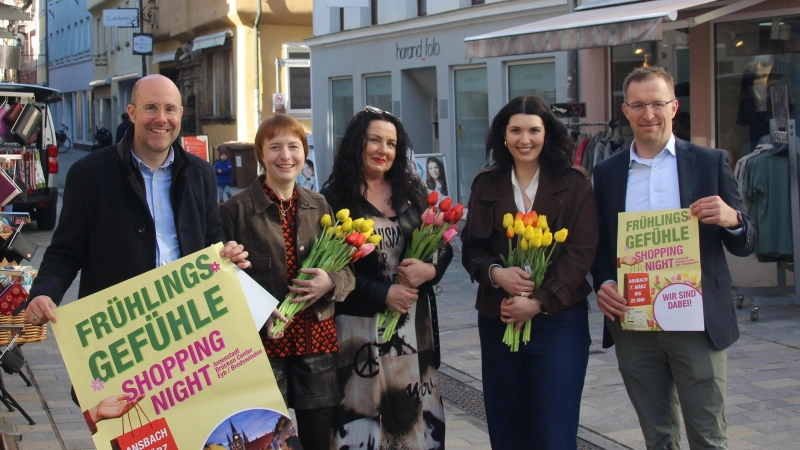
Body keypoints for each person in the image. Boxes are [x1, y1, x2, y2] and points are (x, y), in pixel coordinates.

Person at [24, 74, 252, 366]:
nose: (161, 118)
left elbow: (211, 243)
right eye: (151, 108)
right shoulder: (89, 174)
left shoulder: (200, 173)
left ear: (180, 114)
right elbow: (65, 251)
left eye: (170, 109)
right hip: (121, 339)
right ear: (132, 113)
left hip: (188, 332)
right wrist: (45, 292)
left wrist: (227, 255)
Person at [591, 66, 757, 449]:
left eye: (657, 104)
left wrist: (733, 219)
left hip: (696, 321)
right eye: (638, 105)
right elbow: (600, 243)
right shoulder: (607, 172)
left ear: (673, 107)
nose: (648, 114)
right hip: (633, 321)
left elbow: (746, 242)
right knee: (658, 437)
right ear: (625, 110)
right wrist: (604, 281)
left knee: (708, 436)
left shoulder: (709, 162)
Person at [460, 95, 598, 449]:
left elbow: (581, 254)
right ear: (503, 136)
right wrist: (495, 273)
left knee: (555, 432)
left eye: (534, 130)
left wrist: (538, 301)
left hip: (558, 320)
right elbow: (471, 248)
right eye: (516, 131)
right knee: (508, 429)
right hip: (500, 318)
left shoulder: (575, 182)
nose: (525, 139)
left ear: (547, 134)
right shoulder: (486, 183)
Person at [220, 115, 355, 450]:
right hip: (264, 347)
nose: (285, 156)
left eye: (294, 147)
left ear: (304, 153)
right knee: (270, 442)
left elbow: (348, 273)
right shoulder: (235, 210)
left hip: (316, 342)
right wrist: (258, 311)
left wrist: (330, 282)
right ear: (260, 154)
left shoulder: (319, 205)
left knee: (318, 440)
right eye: (275, 147)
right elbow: (220, 281)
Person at [321, 106, 452, 449]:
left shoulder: (411, 192)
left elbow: (442, 244)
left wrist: (431, 269)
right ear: (357, 144)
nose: (383, 150)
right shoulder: (334, 198)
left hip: (412, 329)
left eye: (391, 143)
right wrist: (382, 293)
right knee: (363, 426)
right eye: (374, 140)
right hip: (357, 332)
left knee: (413, 423)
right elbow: (332, 272)